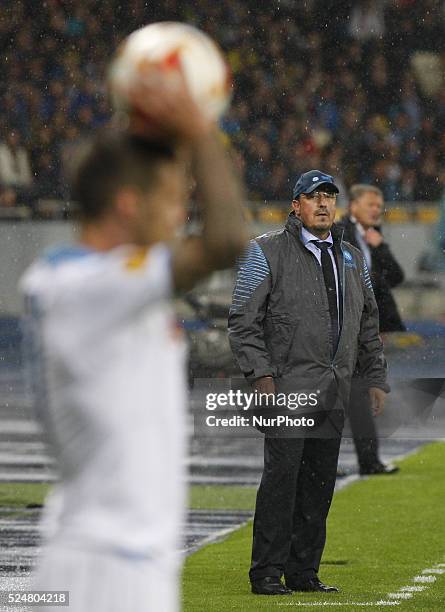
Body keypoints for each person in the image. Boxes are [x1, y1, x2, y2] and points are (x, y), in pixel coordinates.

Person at [21, 75, 248, 612]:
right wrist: (198, 132)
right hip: (106, 570)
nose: (179, 217)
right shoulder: (86, 285)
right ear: (128, 205)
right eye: (172, 200)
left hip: (107, 559)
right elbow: (226, 240)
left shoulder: (94, 283)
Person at [228, 170, 389, 596]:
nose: (323, 204)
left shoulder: (352, 257)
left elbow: (368, 323)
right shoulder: (264, 251)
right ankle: (265, 572)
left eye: (330, 197)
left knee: (319, 486)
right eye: (313, 196)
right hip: (286, 389)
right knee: (282, 481)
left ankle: (303, 572)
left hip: (333, 390)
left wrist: (374, 377)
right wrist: (261, 377)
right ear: (295, 205)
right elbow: (243, 323)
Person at [338, 184, 403, 475]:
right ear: (353, 206)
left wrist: (380, 246)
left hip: (363, 328)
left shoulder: (373, 238)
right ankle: (320, 462)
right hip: (343, 327)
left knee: (356, 394)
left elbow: (396, 277)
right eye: (371, 205)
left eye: (379, 206)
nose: (376, 210)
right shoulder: (339, 233)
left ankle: (367, 460)